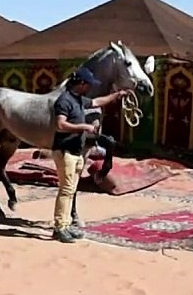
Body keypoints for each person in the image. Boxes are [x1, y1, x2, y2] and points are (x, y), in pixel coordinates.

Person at [49, 68, 133, 243]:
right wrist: (84, 127)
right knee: (65, 190)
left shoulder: (78, 99)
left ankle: (66, 224)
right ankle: (59, 228)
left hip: (76, 152)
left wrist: (117, 95)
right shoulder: (64, 101)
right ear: (81, 84)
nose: (89, 88)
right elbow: (60, 125)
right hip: (65, 151)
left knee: (71, 190)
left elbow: (96, 102)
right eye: (88, 84)